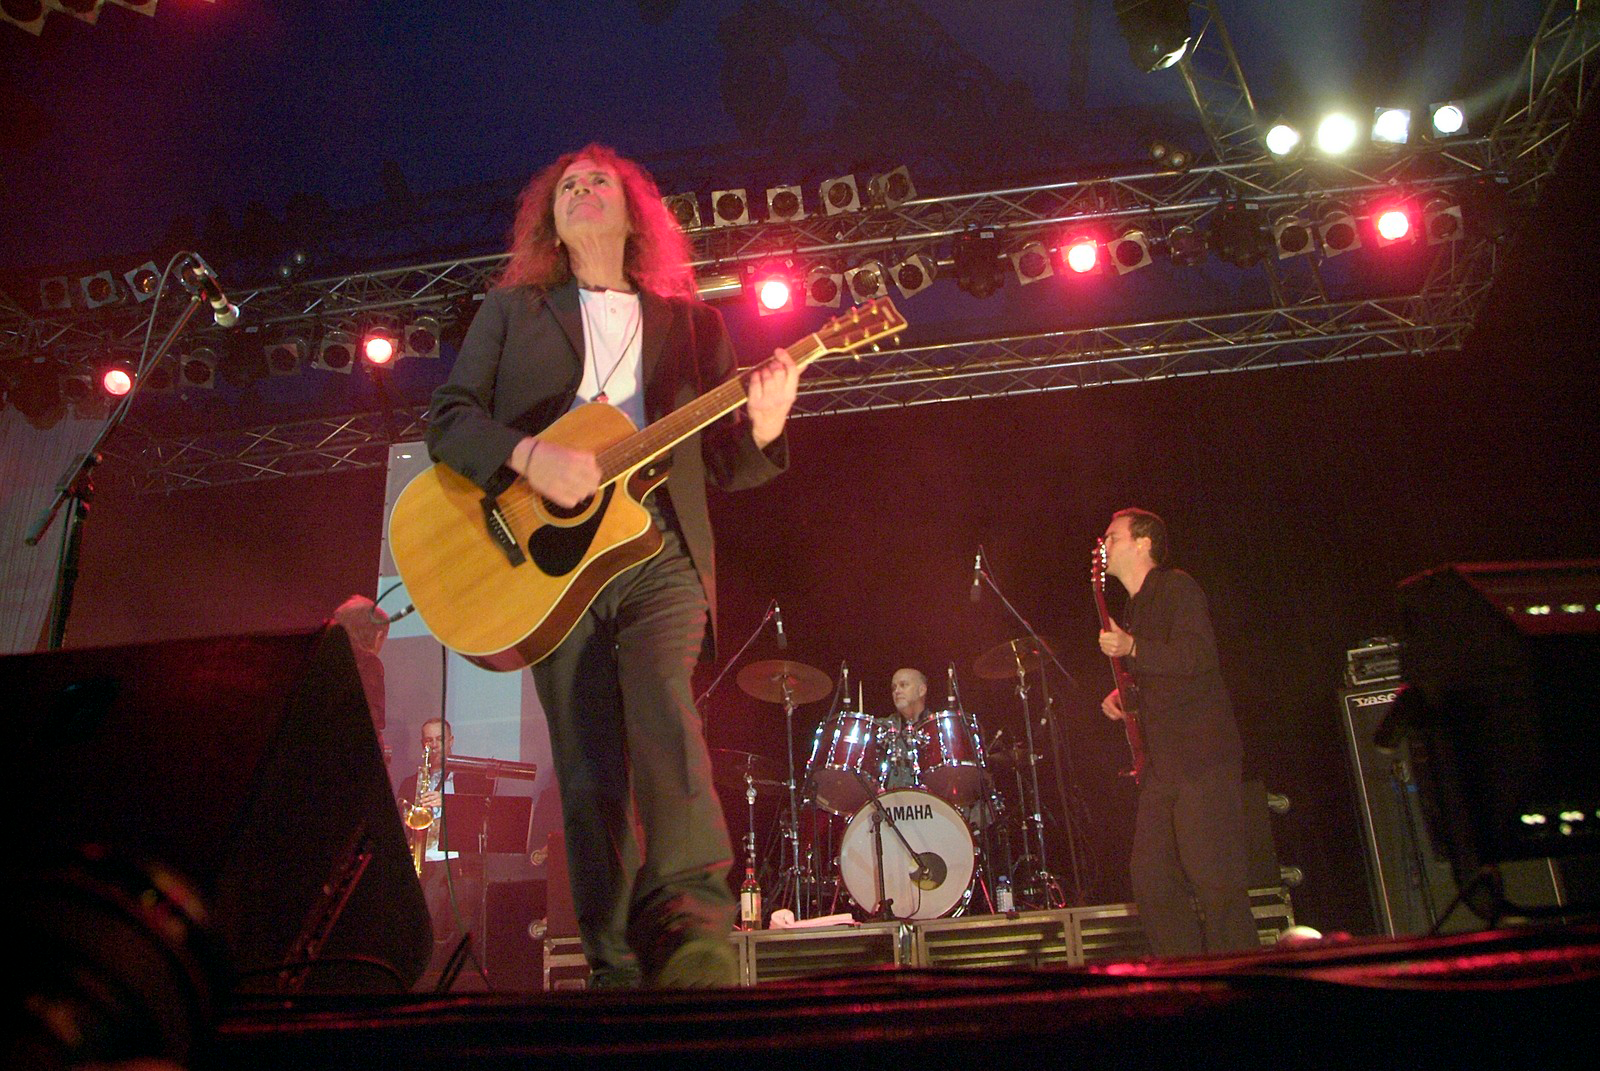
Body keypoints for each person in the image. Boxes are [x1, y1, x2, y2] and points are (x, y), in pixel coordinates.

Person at [425, 143, 799, 988]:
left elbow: (725, 462)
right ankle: (615, 964)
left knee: (664, 711)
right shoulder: (513, 310)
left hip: (659, 548)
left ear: (635, 214)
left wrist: (767, 424)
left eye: (600, 182)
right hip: (550, 568)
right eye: (566, 185)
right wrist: (527, 456)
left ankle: (695, 926)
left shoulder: (694, 323)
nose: (583, 189)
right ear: (549, 219)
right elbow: (448, 418)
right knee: (590, 765)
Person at [1096, 508, 1258, 956]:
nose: (1103, 545)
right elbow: (1161, 678)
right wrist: (1124, 696)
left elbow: (1197, 657)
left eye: (1112, 536)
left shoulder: (1176, 587)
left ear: (1143, 542)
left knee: (1217, 884)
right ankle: (1184, 976)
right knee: (1152, 879)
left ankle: (1245, 977)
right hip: (1162, 764)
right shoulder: (1134, 608)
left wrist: (1133, 648)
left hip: (1201, 755)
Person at [396, 718, 492, 984]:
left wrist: (446, 802)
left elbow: (483, 819)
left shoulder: (470, 781)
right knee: (427, 939)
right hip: (425, 869)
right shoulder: (409, 782)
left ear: (451, 742)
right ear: (422, 745)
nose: (434, 745)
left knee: (465, 939)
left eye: (440, 739)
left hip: (462, 869)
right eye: (429, 740)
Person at [880, 668, 929, 789]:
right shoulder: (882, 727)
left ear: (921, 690)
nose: (897, 691)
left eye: (903, 685)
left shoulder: (937, 727)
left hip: (932, 803)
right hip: (890, 803)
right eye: (894, 687)